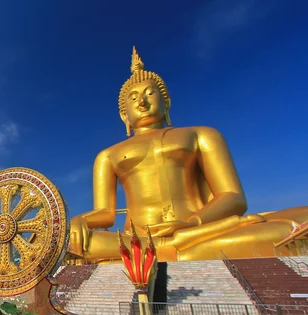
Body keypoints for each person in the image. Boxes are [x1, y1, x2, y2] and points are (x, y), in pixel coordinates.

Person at [69, 47, 308, 262]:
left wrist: (191, 223)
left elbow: (233, 197)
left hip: (199, 230)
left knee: (287, 228)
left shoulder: (200, 135)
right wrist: (80, 220)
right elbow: (106, 214)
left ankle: (167, 249)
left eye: (150, 94)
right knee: (77, 242)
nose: (141, 102)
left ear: (167, 103)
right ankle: (170, 249)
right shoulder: (108, 155)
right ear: (124, 115)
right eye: (133, 99)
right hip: (139, 237)